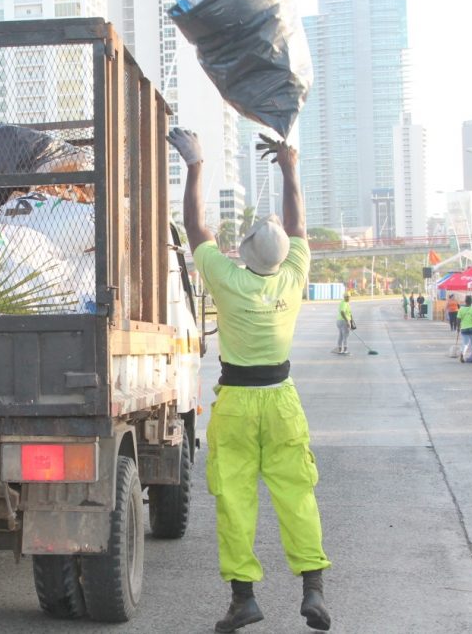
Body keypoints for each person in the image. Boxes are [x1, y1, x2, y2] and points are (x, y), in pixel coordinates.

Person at [168, 128, 330, 633]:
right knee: (297, 494)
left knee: (235, 501)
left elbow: (195, 227)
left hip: (237, 402)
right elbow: (298, 222)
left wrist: (196, 163)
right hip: (281, 400)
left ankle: (244, 599)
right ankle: (314, 593)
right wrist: (289, 168)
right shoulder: (294, 274)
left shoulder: (229, 280)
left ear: (245, 253)